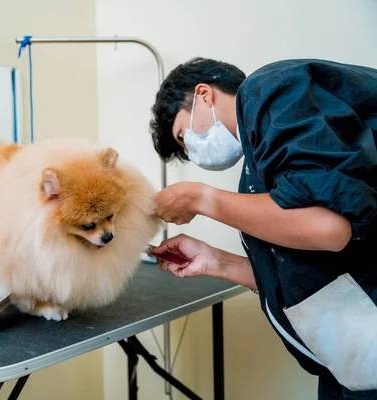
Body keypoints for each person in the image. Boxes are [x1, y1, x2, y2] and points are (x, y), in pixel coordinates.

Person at [149, 57, 377, 399]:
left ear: (204, 95)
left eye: (183, 137)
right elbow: (301, 269)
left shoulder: (269, 89)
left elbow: (328, 228)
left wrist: (198, 198)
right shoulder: (257, 172)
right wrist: (216, 262)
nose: (193, 153)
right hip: (350, 362)